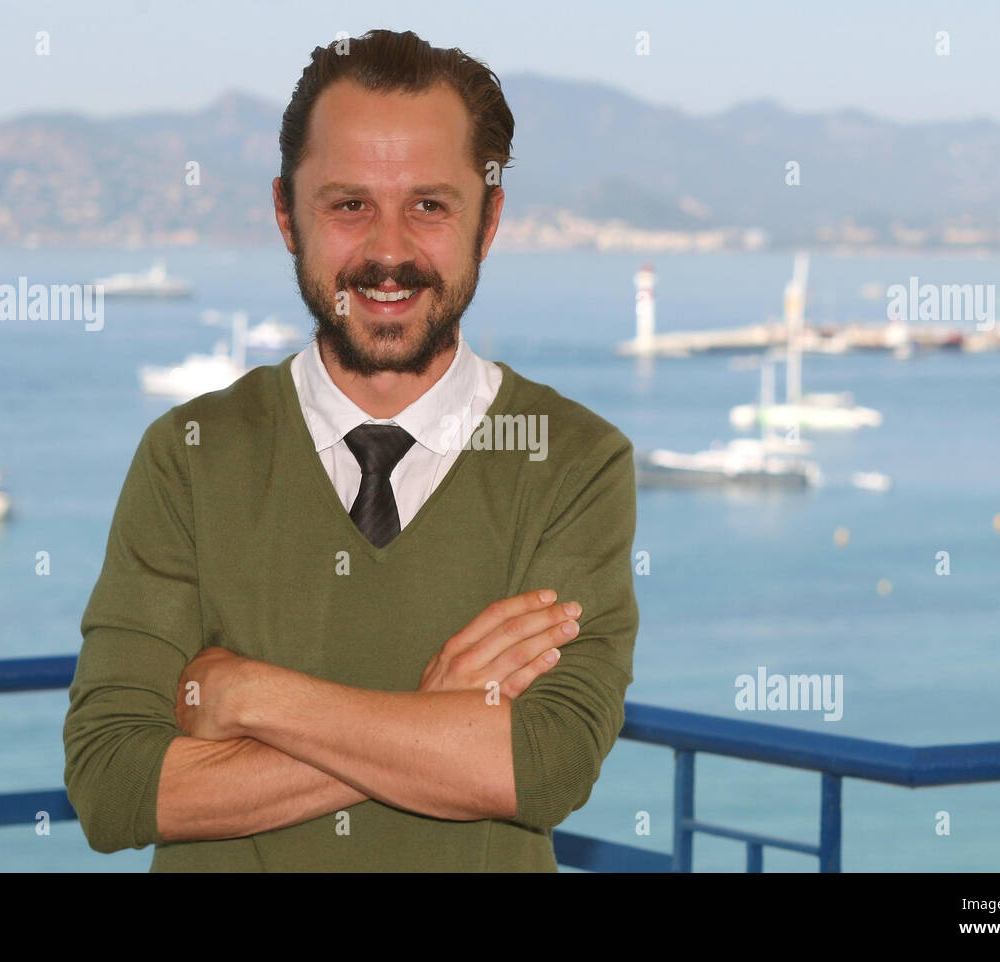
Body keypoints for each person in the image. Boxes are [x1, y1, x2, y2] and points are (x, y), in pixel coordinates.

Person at [63, 27, 639, 872]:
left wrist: (247, 694)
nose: (390, 250)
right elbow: (113, 787)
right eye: (349, 204)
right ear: (285, 216)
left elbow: (544, 766)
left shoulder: (575, 460)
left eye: (430, 205)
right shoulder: (189, 454)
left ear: (489, 221)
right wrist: (431, 721)